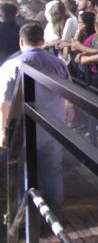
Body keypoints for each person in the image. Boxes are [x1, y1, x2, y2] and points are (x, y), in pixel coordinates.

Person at [0, 23, 70, 215]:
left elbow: (4, 103)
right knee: (53, 171)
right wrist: (65, 117)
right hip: (53, 126)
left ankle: (26, 217)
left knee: (24, 171)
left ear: (21, 42)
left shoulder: (12, 65)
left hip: (23, 130)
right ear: (42, 41)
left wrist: (3, 131)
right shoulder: (58, 63)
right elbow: (66, 95)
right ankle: (56, 214)